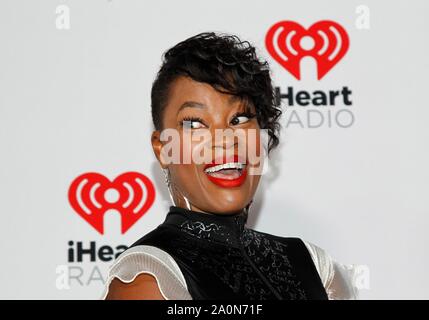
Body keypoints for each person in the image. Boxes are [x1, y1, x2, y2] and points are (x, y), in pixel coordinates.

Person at [102, 32, 358, 300]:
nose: (225, 140)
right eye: (195, 123)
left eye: (240, 118)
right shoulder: (149, 275)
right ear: (163, 148)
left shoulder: (314, 265)